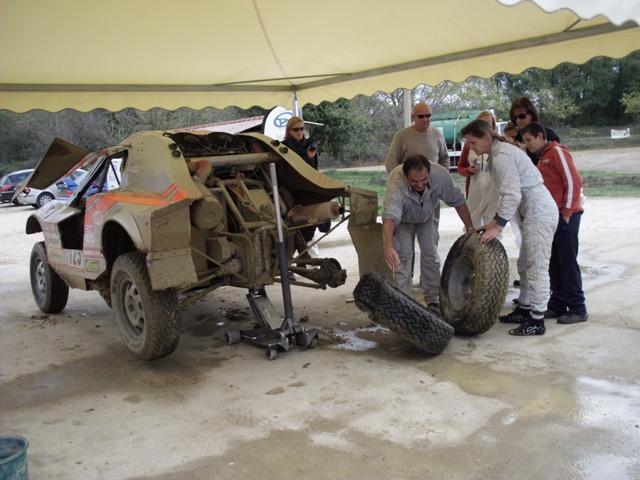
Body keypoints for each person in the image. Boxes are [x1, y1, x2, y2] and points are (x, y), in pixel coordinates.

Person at [460, 119, 558, 336]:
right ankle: (524, 307)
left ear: (486, 137)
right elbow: (506, 194)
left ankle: (537, 318)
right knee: (524, 263)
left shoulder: (502, 155)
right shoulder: (496, 153)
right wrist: (494, 222)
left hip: (539, 210)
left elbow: (512, 193)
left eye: (473, 142)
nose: (471, 148)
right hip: (530, 210)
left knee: (536, 265)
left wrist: (499, 226)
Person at [382, 154, 474, 311]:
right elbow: (390, 215)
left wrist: (470, 228)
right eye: (414, 181)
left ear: (429, 173)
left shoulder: (440, 176)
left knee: (430, 254)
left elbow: (458, 201)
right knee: (403, 257)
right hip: (403, 220)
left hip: (426, 216)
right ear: (406, 176)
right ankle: (403, 301)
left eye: (423, 180)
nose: (419, 184)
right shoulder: (396, 182)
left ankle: (433, 300)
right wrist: (388, 246)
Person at [521, 122, 588, 324]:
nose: (527, 145)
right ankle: (558, 304)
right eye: (524, 141)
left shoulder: (557, 152)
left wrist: (566, 213)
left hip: (566, 215)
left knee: (567, 262)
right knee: (553, 262)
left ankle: (578, 308)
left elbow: (573, 182)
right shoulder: (542, 158)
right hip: (552, 216)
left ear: (541, 136)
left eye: (529, 140)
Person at [282, 116, 323, 256]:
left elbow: (313, 171)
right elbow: (290, 170)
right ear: (289, 131)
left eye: (301, 129)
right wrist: (307, 158)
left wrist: (310, 158)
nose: (300, 132)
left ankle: (305, 250)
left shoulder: (307, 145)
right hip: (291, 187)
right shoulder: (284, 147)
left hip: (306, 185)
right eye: (296, 130)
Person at [456, 111, 500, 229]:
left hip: (493, 192)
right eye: (481, 122)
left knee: (491, 228)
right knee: (471, 226)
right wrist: (469, 170)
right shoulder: (469, 145)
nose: (485, 126)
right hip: (475, 191)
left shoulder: (499, 144)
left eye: (488, 123)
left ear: (493, 125)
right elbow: (460, 168)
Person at [385, 102, 449, 173]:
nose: (425, 119)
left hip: (434, 183)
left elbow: (444, 158)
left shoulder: (437, 135)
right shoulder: (401, 136)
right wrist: (402, 180)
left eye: (428, 115)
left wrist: (443, 176)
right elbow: (391, 163)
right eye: (421, 116)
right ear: (413, 117)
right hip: (409, 183)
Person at [509, 97, 560, 165]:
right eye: (515, 117)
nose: (518, 120)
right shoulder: (516, 139)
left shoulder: (549, 135)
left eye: (522, 116)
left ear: (532, 115)